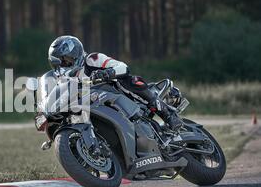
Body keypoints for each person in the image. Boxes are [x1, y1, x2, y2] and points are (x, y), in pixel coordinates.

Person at [47, 35, 183, 131]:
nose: (63, 66)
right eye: (59, 63)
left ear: (75, 54)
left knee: (130, 81)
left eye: (65, 60)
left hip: (119, 96)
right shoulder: (67, 81)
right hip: (100, 107)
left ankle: (168, 115)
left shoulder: (92, 59)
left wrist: (107, 73)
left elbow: (123, 67)